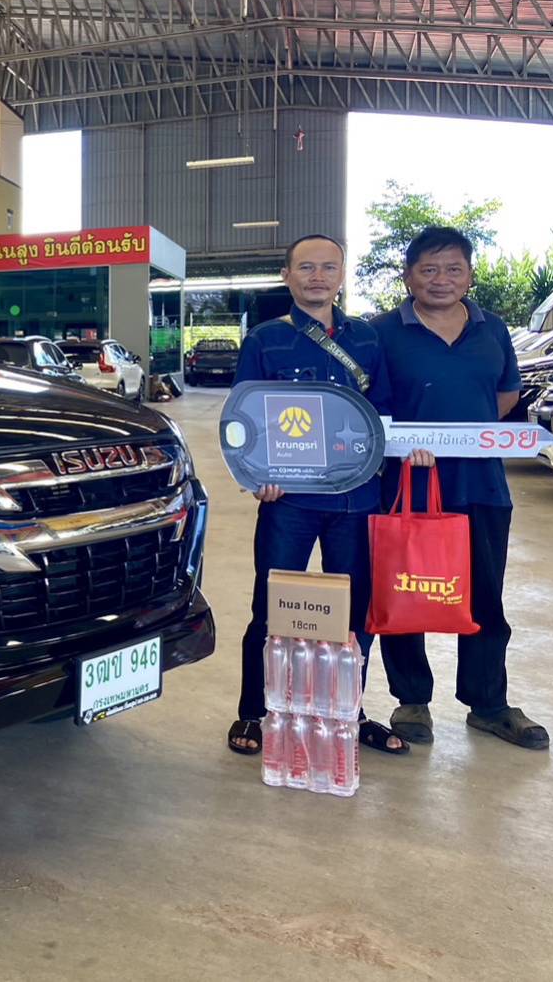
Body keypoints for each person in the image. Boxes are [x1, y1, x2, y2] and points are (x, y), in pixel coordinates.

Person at [227, 234, 422, 757]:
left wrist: (409, 451)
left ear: (341, 275)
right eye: (306, 267)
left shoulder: (367, 339)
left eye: (328, 267)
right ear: (287, 276)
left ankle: (347, 712)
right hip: (289, 500)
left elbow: (381, 413)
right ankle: (254, 711)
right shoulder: (265, 340)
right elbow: (244, 418)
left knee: (354, 613)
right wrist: (257, 476)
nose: (318, 276)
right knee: (270, 607)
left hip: (357, 499)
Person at [372, 226, 549, 750]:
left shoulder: (492, 329)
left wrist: (461, 436)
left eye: (453, 269)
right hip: (408, 483)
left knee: (485, 595)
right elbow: (372, 406)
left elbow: (506, 394)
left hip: (482, 483)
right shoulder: (382, 332)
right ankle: (411, 701)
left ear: (469, 276)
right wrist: (413, 443)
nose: (441, 279)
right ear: (408, 277)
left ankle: (488, 704)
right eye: (428, 269)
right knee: (406, 589)